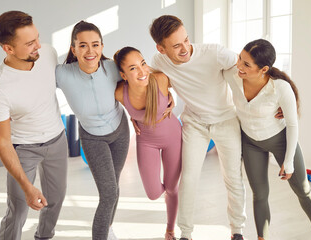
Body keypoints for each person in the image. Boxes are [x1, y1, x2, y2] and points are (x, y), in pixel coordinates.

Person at [149, 15, 246, 240]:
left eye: (186, 40)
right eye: (176, 45)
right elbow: (152, 77)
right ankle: (186, 233)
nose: (185, 48)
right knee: (190, 178)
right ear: (161, 49)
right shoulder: (158, 61)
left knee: (233, 177)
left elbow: (248, 68)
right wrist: (168, 93)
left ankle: (237, 231)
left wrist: (277, 97)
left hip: (226, 120)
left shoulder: (214, 53)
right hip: (195, 123)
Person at [223, 38, 311, 240]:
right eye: (240, 59)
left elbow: (293, 124)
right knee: (259, 195)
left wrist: (288, 162)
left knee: (303, 189)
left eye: (246, 64)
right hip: (251, 142)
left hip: (281, 141)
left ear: (263, 69)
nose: (239, 66)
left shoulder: (280, 88)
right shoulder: (232, 75)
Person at [0, 11, 68, 240]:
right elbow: (2, 141)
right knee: (19, 208)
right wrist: (28, 187)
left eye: (37, 38)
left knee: (56, 199)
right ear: (8, 49)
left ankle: (44, 236)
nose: (38, 46)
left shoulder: (48, 53)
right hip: (23, 148)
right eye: (30, 43)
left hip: (57, 139)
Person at [55, 20, 130, 240]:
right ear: (74, 49)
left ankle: (107, 228)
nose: (90, 51)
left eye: (95, 45)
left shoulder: (113, 68)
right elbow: (36, 83)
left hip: (120, 131)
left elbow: (142, 77)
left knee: (114, 187)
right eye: (83, 45)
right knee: (108, 194)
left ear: (102, 47)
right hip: (92, 137)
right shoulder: (62, 74)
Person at [114, 47, 182, 240]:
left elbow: (184, 85)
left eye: (143, 63)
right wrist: (131, 117)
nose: (142, 71)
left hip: (172, 136)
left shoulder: (159, 80)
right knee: (153, 193)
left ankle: (170, 230)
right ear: (123, 75)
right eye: (133, 68)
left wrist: (173, 100)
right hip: (146, 141)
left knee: (172, 187)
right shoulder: (119, 92)